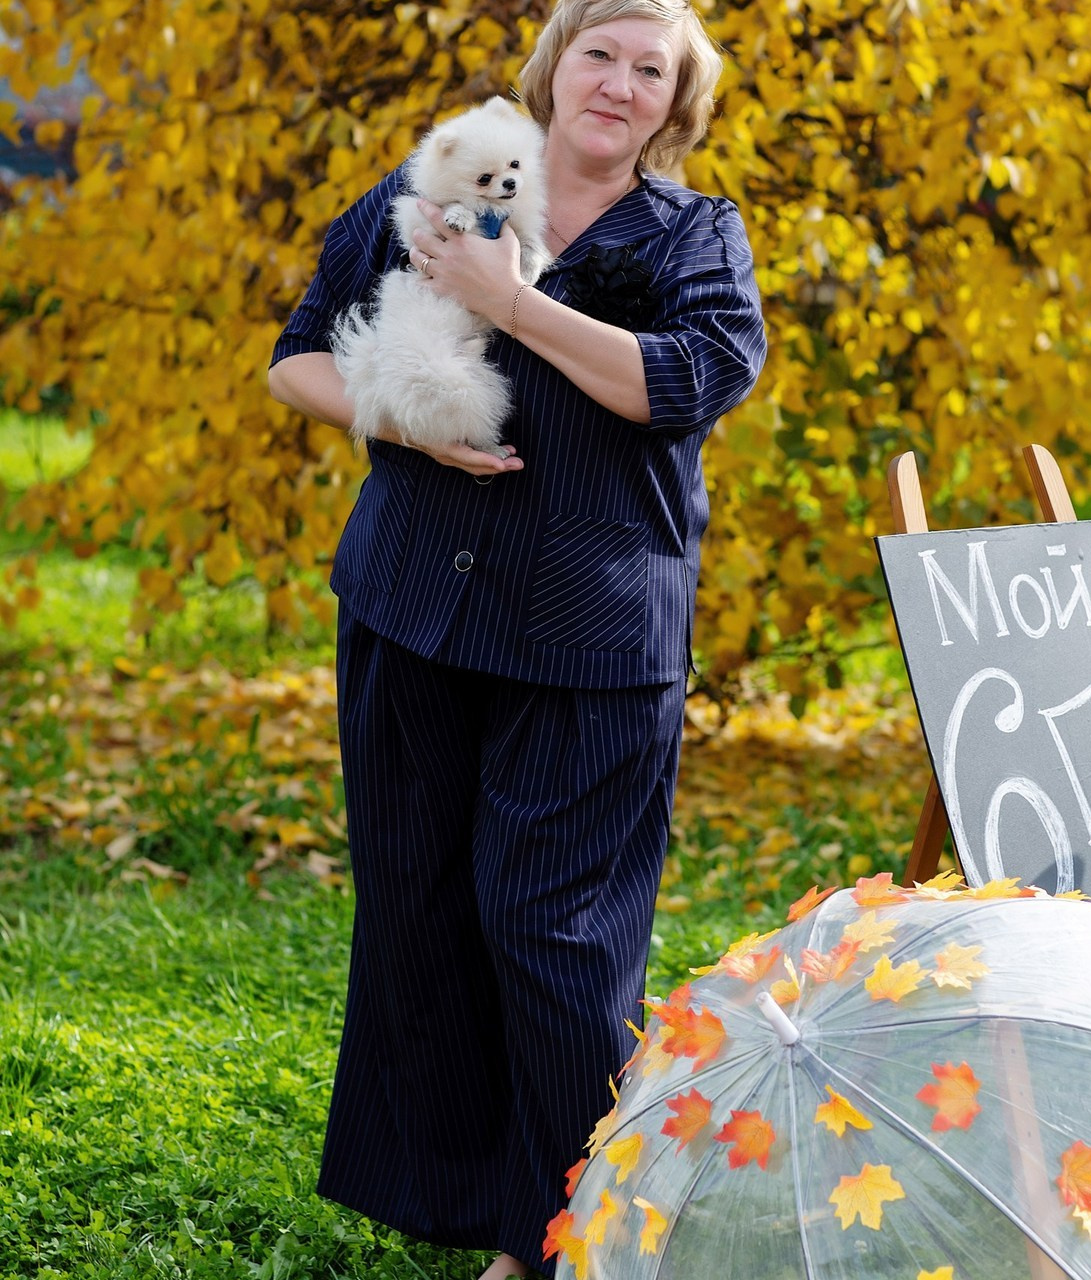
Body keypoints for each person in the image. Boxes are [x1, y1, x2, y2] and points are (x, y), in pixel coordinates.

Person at [266, 1, 766, 1276]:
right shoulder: (430, 182)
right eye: (599, 51)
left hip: (588, 634)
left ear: (672, 104)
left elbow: (689, 382)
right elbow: (298, 360)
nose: (617, 81)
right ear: (556, 65)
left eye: (650, 69)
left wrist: (507, 299)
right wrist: (408, 422)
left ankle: (558, 1233)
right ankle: (462, 1205)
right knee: (419, 910)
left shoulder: (695, 232)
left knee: (553, 934)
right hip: (413, 605)